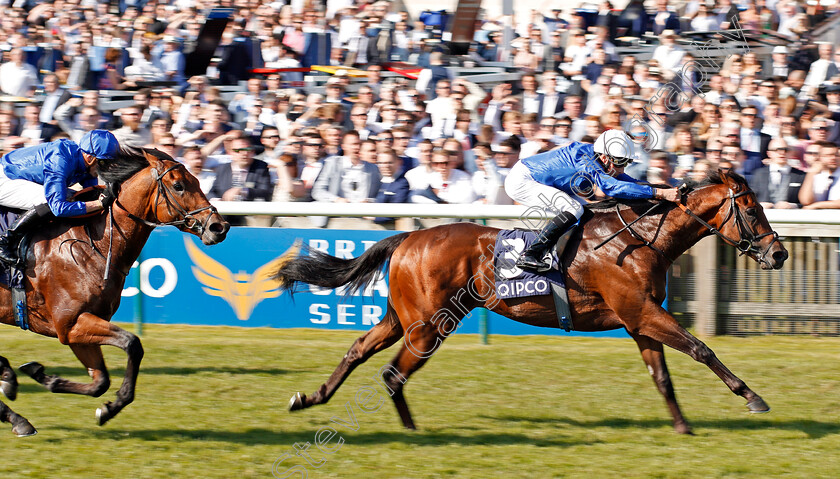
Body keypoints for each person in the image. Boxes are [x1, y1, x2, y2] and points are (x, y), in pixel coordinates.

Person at [504, 130, 680, 272]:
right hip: (522, 180)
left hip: (537, 178)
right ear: (605, 157)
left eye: (626, 163)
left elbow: (622, 178)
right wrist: (657, 193)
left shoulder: (598, 155)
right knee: (573, 209)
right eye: (620, 163)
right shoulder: (586, 160)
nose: (622, 168)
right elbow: (612, 187)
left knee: (586, 213)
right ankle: (530, 254)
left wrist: (657, 189)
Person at [0, 130, 119, 265]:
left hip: (21, 177)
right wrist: (98, 204)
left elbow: (89, 195)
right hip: (5, 178)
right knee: (47, 200)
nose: (107, 169)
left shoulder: (87, 163)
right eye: (105, 163)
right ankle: (4, 240)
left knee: (73, 197)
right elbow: (57, 207)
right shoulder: (60, 159)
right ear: (90, 158)